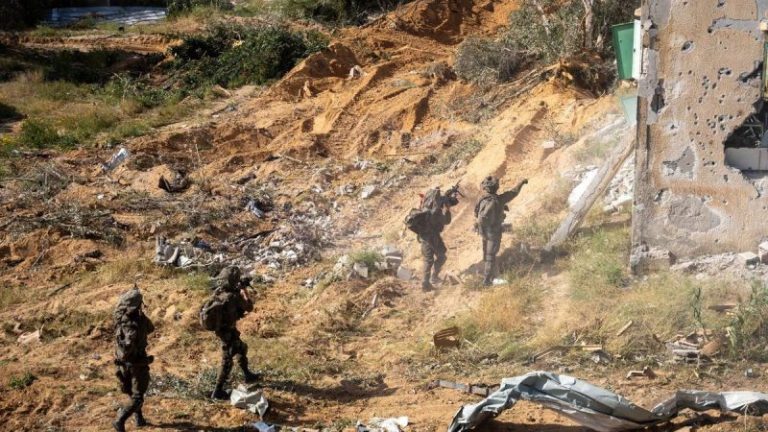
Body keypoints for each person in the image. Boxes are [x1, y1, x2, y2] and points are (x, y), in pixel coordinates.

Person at [202, 266, 260, 400]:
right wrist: (244, 291)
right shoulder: (234, 297)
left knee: (242, 348)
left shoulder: (219, 292)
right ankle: (217, 391)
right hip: (226, 332)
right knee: (227, 361)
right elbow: (249, 307)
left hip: (226, 330)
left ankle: (247, 374)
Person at [113, 286, 155, 432]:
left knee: (132, 392)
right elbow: (151, 328)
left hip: (122, 364)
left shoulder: (119, 317)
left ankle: (139, 418)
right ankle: (120, 419)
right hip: (137, 363)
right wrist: (142, 314)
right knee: (138, 397)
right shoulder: (140, 321)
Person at [475, 176, 528, 286]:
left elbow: (476, 214)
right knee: (491, 256)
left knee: (487, 253)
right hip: (494, 231)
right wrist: (521, 182)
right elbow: (513, 192)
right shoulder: (499, 199)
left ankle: (489, 273)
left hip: (483, 230)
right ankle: (487, 280)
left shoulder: (481, 199)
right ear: (496, 187)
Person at [419, 188, 453, 291]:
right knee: (440, 257)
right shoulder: (436, 211)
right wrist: (447, 209)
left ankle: (427, 282)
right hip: (432, 238)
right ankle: (432, 279)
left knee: (430, 259)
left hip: (425, 238)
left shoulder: (423, 207)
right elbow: (446, 221)